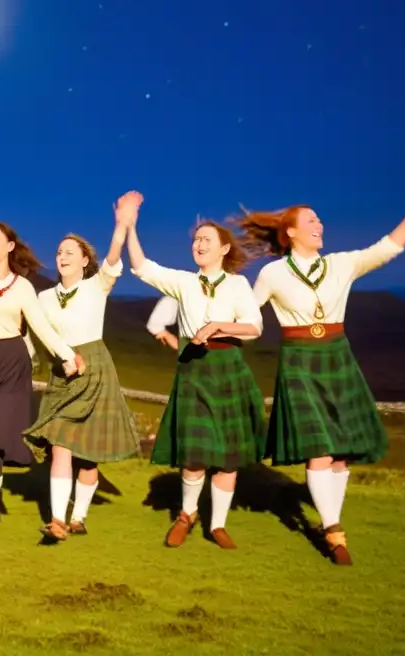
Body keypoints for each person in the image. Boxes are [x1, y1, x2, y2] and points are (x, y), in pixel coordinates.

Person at [236, 178, 405, 565]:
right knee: (318, 451)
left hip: (337, 357)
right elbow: (250, 316)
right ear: (290, 232)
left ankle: (333, 520)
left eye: (320, 219)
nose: (320, 224)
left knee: (340, 454)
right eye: (311, 220)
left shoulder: (341, 264)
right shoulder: (273, 274)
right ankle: (332, 530)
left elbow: (389, 247)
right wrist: (224, 333)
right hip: (299, 361)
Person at [124, 192, 266, 550]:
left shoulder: (237, 285)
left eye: (207, 240)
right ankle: (186, 515)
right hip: (194, 371)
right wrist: (129, 225)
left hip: (228, 368)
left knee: (227, 459)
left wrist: (219, 326)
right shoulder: (183, 283)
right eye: (196, 240)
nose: (199, 244)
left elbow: (254, 326)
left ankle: (217, 525)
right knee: (194, 456)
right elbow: (141, 267)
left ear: (223, 249)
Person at [0, 222, 84, 537]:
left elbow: (40, 326)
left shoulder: (23, 287)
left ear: (10, 246)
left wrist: (66, 354)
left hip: (10, 365)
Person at [25, 205, 140, 541]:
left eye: (70, 252)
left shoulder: (97, 286)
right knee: (60, 444)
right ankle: (57, 520)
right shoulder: (44, 297)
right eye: (59, 252)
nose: (62, 256)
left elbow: (114, 260)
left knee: (88, 457)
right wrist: (59, 358)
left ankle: (79, 517)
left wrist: (121, 225)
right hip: (63, 373)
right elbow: (42, 334)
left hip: (96, 368)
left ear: (84, 261)